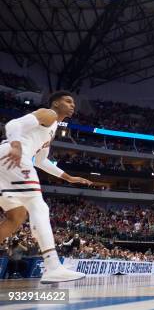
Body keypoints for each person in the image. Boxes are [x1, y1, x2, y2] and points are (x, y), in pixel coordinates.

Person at [0, 91, 92, 283]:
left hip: (9, 159)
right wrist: (16, 145)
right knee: (39, 207)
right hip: (13, 156)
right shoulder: (48, 114)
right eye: (68, 101)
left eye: (73, 101)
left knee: (16, 217)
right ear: (56, 104)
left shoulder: (53, 128)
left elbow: (41, 161)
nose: (72, 104)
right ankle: (52, 266)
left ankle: (52, 267)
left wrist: (68, 178)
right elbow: (13, 124)